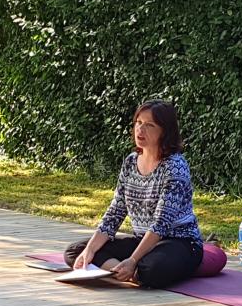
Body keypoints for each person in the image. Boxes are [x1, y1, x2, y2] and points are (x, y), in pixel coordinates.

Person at [64, 100, 205, 288]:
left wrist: (132, 259)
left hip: (179, 242)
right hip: (143, 241)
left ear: (165, 131)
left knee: (152, 270)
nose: (140, 130)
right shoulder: (131, 162)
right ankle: (125, 272)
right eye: (138, 123)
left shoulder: (175, 166)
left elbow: (161, 224)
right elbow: (115, 212)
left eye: (149, 125)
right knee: (76, 252)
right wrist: (90, 250)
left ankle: (133, 270)